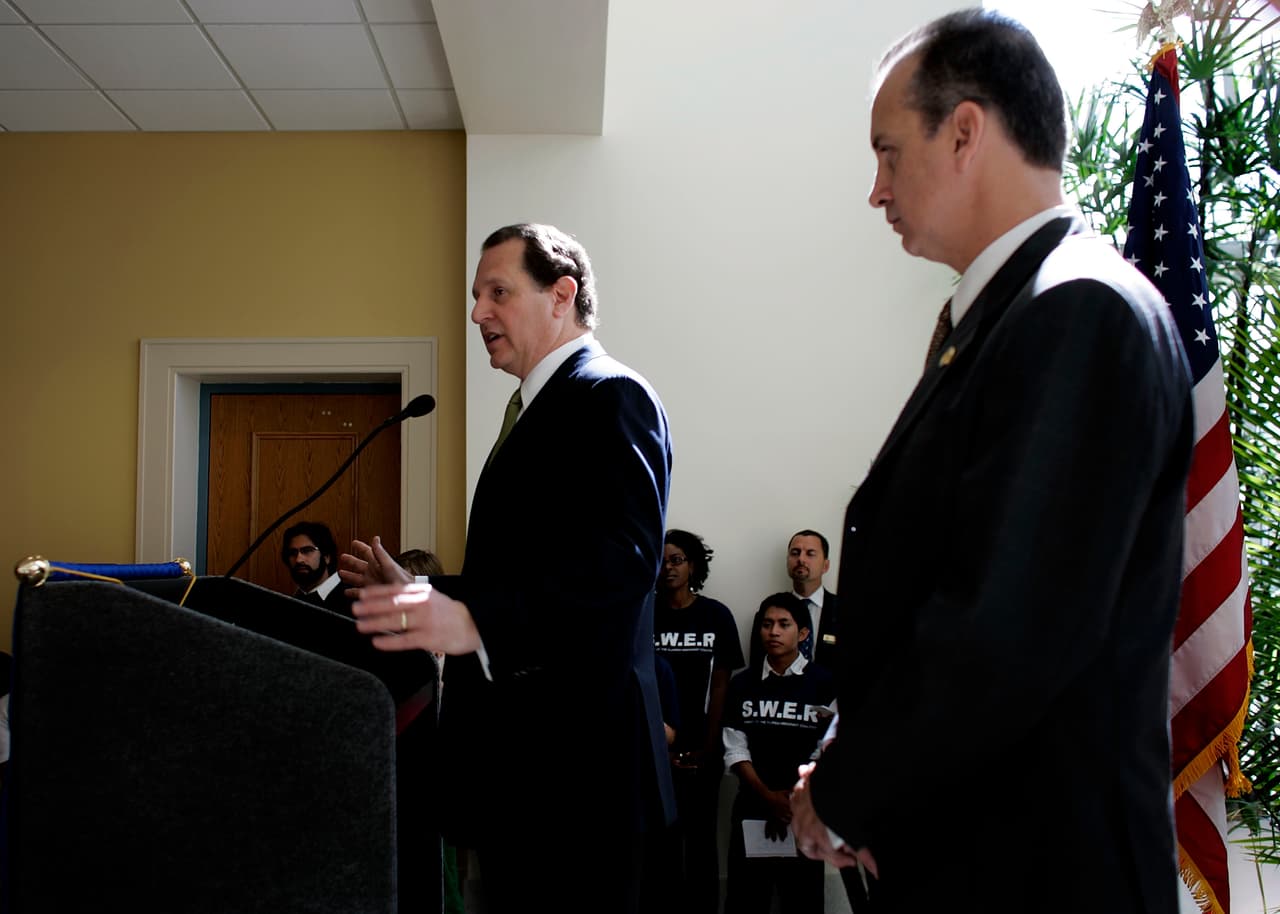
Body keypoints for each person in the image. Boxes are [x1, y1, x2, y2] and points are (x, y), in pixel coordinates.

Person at [788, 11, 1193, 912]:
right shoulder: (1015, 314)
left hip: (1036, 872)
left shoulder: (1077, 310)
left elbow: (1000, 632)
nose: (876, 190)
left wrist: (845, 792)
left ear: (965, 131)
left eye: (889, 154)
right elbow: (938, 587)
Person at [340, 223, 675, 913]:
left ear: (562, 295)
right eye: (474, 295)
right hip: (526, 775)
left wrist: (473, 618)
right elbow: (536, 570)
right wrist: (426, 595)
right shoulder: (533, 409)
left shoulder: (610, 394)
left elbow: (623, 564)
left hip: (583, 778)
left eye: (498, 292)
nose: (476, 313)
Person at [722, 594, 834, 914]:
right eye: (767, 624)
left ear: (802, 633)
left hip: (804, 810)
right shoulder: (743, 684)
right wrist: (768, 797)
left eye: (784, 625)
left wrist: (791, 799)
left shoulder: (825, 684)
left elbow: (827, 748)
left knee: (803, 900)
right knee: (746, 899)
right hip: (752, 805)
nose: (773, 631)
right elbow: (734, 746)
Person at [653, 528, 744, 914]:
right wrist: (661, 750)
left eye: (677, 560)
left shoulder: (716, 615)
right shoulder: (645, 614)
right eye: (663, 561)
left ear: (693, 565)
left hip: (703, 749)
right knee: (661, 844)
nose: (669, 568)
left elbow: (721, 687)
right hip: (655, 751)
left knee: (703, 841)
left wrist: (708, 748)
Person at [749, 529, 841, 671]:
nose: (801, 559)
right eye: (795, 553)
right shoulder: (769, 612)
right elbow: (757, 667)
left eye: (810, 554)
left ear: (826, 565)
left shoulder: (845, 610)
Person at [280, 521, 352, 616]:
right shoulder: (289, 603)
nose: (298, 559)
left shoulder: (354, 598)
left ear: (326, 556)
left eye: (307, 551)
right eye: (293, 553)